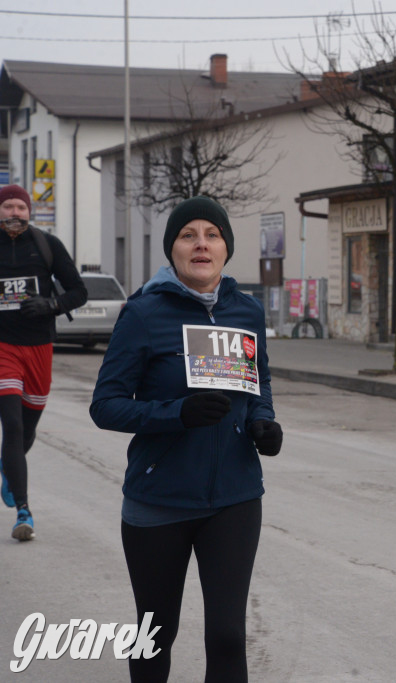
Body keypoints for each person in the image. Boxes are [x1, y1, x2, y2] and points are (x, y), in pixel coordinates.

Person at [90, 196, 283, 682]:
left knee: (227, 637)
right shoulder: (143, 313)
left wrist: (262, 422)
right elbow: (106, 405)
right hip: (159, 500)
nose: (201, 244)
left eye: (212, 235)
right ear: (172, 250)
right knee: (155, 635)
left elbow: (257, 383)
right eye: (188, 235)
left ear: (226, 248)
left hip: (235, 497)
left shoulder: (247, 312)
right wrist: (178, 413)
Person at [0, 184, 87, 541]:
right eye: (8, 207)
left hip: (39, 349)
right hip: (3, 347)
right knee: (13, 425)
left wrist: (51, 305)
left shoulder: (47, 245)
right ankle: (24, 511)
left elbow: (78, 291)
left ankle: (8, 468)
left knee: (28, 429)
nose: (15, 213)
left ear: (29, 211)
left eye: (21, 207)